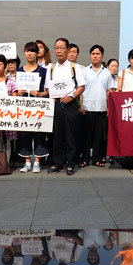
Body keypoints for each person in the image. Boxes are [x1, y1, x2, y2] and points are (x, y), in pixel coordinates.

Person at [46, 38, 86, 175]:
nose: (59, 51)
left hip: (70, 104)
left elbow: (82, 86)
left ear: (67, 50)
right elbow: (48, 88)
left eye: (62, 48)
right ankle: (57, 163)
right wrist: (50, 96)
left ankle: (70, 163)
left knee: (70, 135)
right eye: (57, 48)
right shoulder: (51, 68)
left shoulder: (74, 67)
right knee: (56, 135)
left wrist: (72, 97)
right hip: (56, 104)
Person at [15, 41, 49, 172]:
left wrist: (39, 94)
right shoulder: (19, 71)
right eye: (27, 51)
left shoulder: (43, 71)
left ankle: (37, 162)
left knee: (39, 133)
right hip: (24, 107)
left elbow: (48, 91)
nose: (29, 54)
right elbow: (15, 92)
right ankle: (27, 162)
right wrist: (19, 93)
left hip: (38, 107)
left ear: (37, 53)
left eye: (32, 51)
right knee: (24, 133)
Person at [80, 44, 114, 167]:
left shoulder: (107, 73)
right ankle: (84, 158)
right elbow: (80, 90)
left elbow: (109, 91)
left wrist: (109, 107)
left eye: (98, 54)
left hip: (101, 107)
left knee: (98, 136)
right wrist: (81, 105)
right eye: (93, 54)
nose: (95, 56)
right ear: (90, 55)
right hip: (87, 107)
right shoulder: (84, 71)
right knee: (85, 135)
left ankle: (96, 158)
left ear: (102, 56)